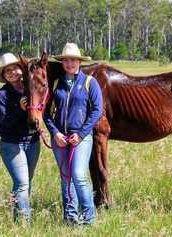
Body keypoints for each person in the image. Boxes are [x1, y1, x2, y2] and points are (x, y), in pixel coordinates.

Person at [44, 43, 102, 226]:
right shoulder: (55, 84)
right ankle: (70, 218)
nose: (70, 63)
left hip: (81, 138)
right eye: (66, 60)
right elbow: (45, 112)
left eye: (73, 60)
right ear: (62, 62)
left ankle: (88, 218)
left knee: (78, 175)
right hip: (59, 138)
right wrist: (55, 133)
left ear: (79, 62)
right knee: (65, 177)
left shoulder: (89, 82)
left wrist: (82, 133)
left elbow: (97, 110)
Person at [0, 53, 40, 225]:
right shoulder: (2, 96)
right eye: (7, 71)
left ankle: (17, 219)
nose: (12, 72)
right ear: (4, 76)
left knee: (26, 183)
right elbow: (3, 125)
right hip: (12, 145)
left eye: (15, 68)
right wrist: (20, 109)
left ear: (22, 70)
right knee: (22, 184)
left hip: (33, 142)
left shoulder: (30, 88)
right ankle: (24, 225)